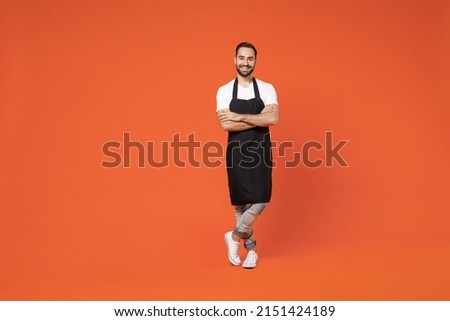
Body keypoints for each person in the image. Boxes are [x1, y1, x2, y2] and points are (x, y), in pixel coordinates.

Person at [216, 42, 279, 268]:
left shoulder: (266, 88)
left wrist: (238, 117)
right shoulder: (224, 90)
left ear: (255, 61)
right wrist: (255, 118)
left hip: (261, 151)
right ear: (235, 60)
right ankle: (251, 250)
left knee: (261, 200)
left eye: (250, 58)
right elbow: (225, 124)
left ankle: (232, 237)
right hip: (237, 152)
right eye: (241, 58)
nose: (245, 62)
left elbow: (272, 119)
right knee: (241, 205)